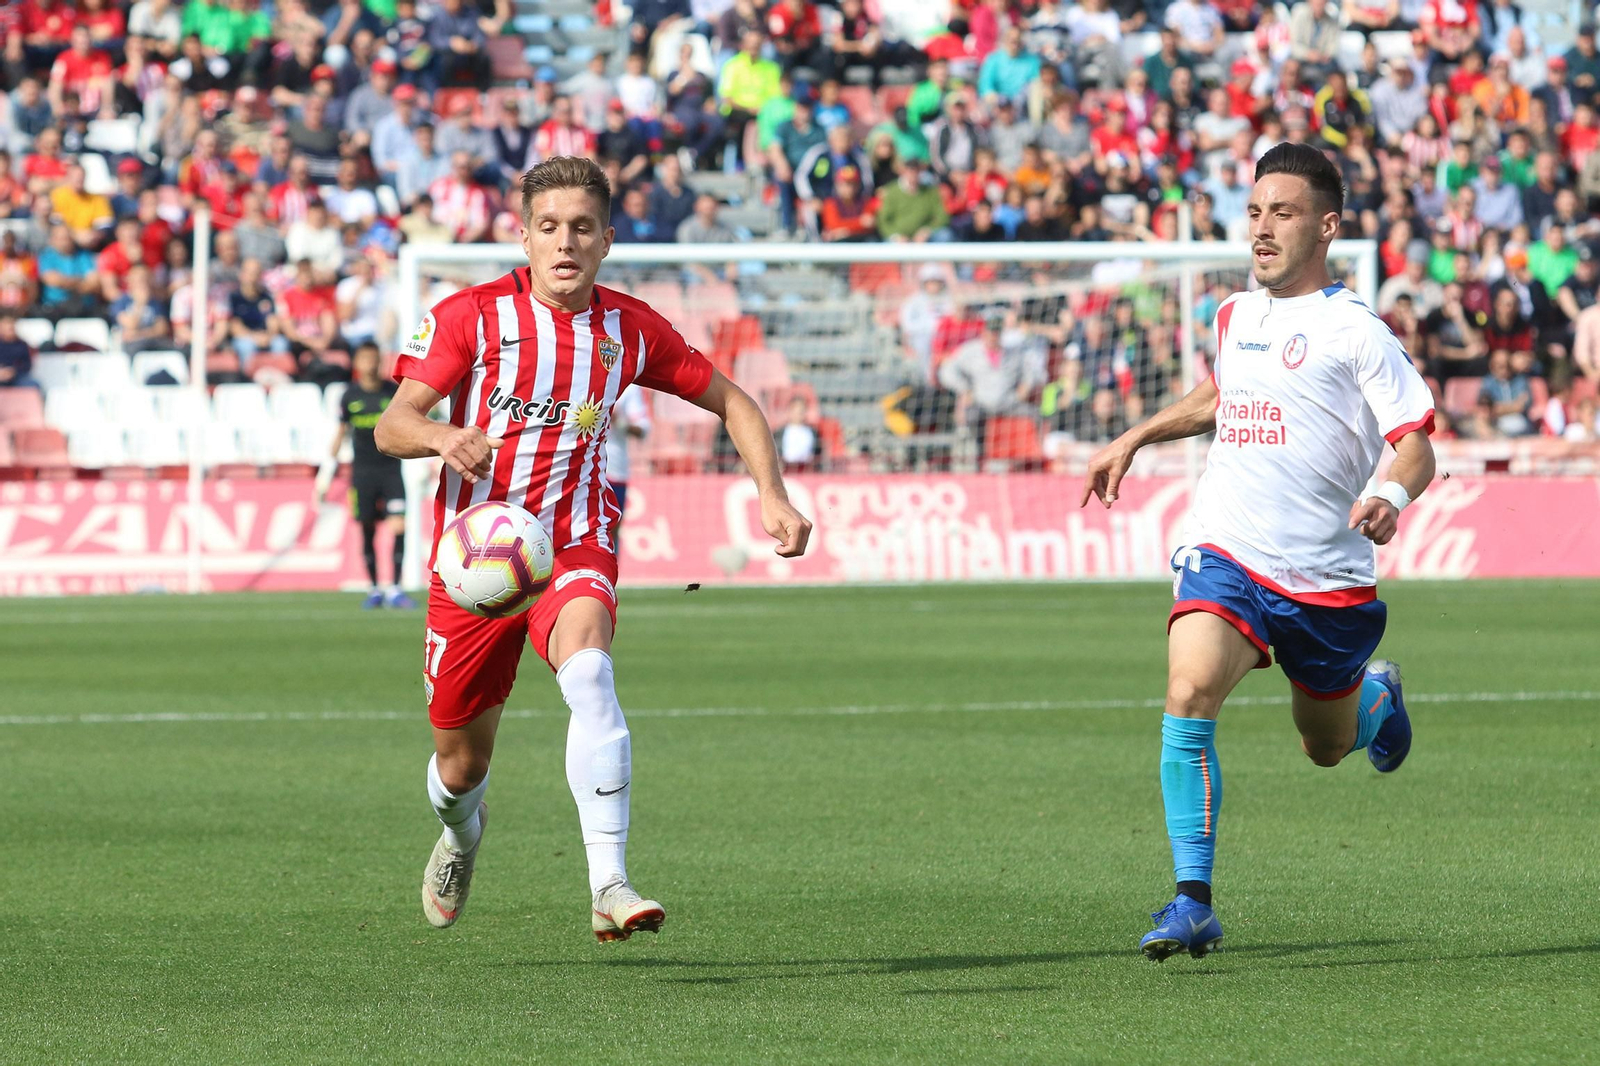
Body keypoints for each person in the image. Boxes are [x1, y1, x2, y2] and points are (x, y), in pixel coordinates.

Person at [373, 156, 812, 941]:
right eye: (549, 227)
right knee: (459, 771)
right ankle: (461, 834)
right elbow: (391, 423)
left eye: (581, 227)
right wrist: (441, 435)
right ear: (524, 235)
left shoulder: (628, 329)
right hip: (473, 566)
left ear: (607, 239)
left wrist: (771, 492)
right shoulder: (471, 316)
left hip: (573, 541)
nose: (565, 241)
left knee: (591, 675)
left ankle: (609, 881)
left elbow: (734, 401)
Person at [1080, 142, 1437, 962]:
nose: (1262, 230)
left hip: (1327, 580)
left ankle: (1374, 703)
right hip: (1227, 550)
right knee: (1188, 688)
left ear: (1326, 225)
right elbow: (1222, 394)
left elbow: (1416, 442)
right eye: (1254, 212)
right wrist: (1135, 435)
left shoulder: (1357, 332)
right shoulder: (1236, 314)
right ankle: (1192, 899)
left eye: (1283, 213)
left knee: (1323, 746)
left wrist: (1389, 494)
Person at [319, 343, 415, 610]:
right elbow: (341, 433)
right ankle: (374, 588)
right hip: (362, 473)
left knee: (399, 525)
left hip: (391, 470)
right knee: (367, 528)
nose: (370, 364)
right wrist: (326, 474)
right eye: (365, 359)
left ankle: (395, 588)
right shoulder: (349, 396)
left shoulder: (392, 393)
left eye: (374, 358)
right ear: (357, 363)